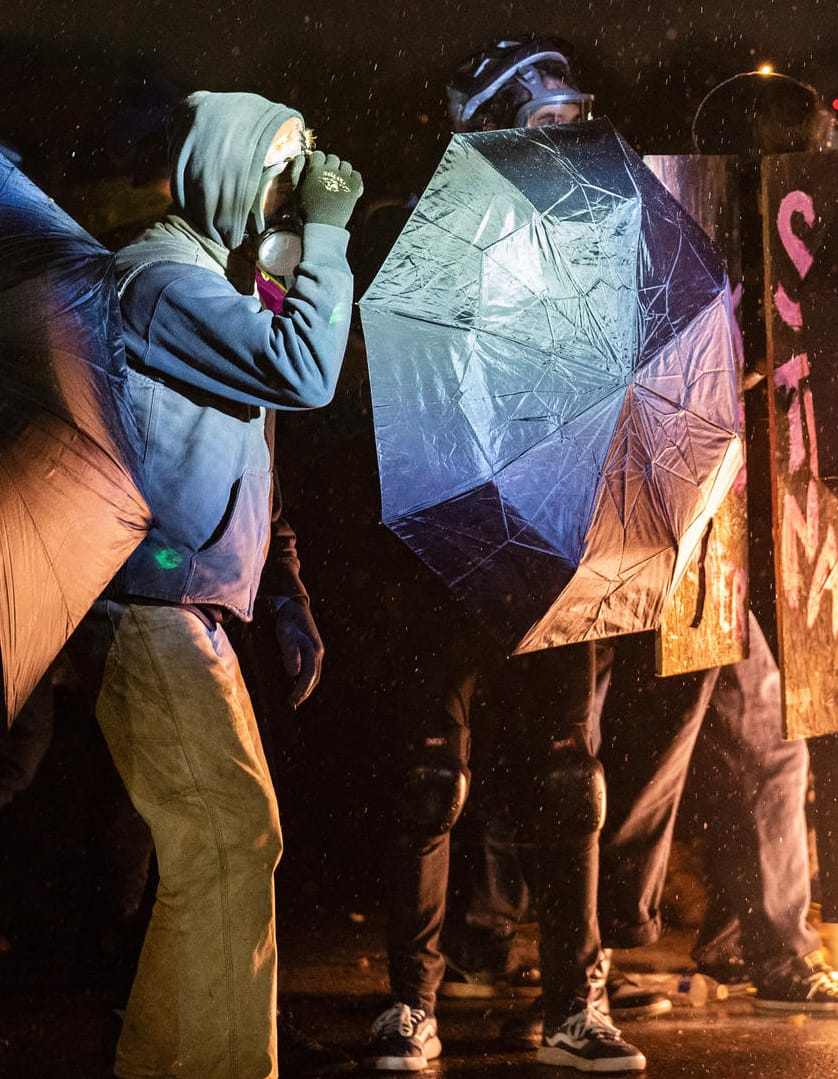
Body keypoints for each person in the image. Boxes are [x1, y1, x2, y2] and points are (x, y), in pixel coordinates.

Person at [364, 38, 701, 1074]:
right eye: (536, 115)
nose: (558, 133)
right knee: (431, 776)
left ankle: (574, 1000)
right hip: (439, 533)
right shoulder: (408, 225)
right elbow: (375, 394)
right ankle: (411, 1003)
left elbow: (655, 362)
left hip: (564, 535)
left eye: (566, 118)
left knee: (570, 781)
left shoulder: (607, 230)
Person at [87, 90, 360, 1079]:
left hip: (186, 611)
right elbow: (306, 372)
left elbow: (258, 447)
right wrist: (325, 239)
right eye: (280, 179)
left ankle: (158, 1058)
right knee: (230, 842)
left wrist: (281, 586)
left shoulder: (212, 280)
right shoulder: (158, 282)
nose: (291, 202)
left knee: (216, 853)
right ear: (228, 172)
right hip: (144, 611)